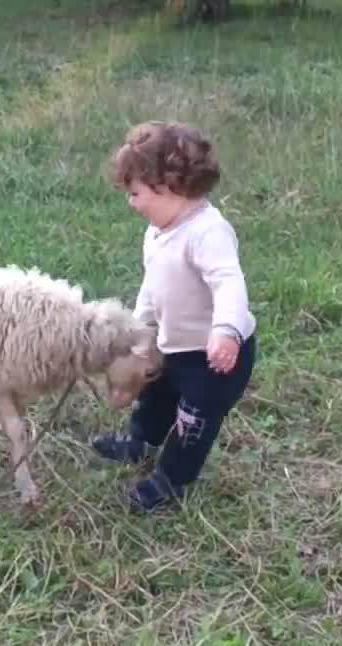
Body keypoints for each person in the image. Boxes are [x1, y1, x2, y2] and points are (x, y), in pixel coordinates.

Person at [91, 120, 258, 512]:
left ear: (167, 185)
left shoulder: (207, 233)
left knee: (192, 423)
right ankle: (140, 443)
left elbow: (228, 283)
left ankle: (172, 479)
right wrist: (139, 327)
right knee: (154, 399)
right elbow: (154, 286)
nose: (131, 202)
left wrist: (227, 330)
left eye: (135, 193)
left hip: (216, 358)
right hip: (174, 345)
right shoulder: (158, 230)